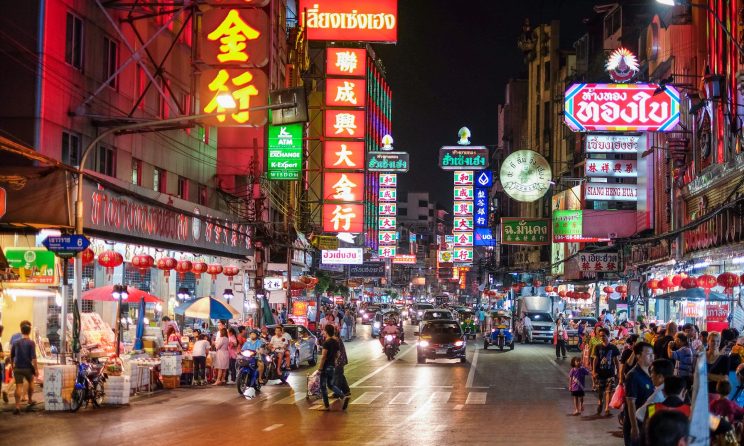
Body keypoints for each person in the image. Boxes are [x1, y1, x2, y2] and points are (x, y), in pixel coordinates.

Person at [623, 341, 655, 446]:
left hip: (648, 422)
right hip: (637, 422)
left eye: (652, 354)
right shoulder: (633, 375)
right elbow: (631, 402)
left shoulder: (651, 373)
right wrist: (634, 427)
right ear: (638, 356)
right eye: (648, 354)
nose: (652, 357)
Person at [317, 324, 347, 411]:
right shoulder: (335, 342)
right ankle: (343, 396)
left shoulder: (326, 342)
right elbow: (338, 354)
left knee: (323, 386)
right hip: (332, 366)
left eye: (323, 330)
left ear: (326, 331)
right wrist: (334, 361)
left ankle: (326, 406)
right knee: (330, 385)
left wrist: (320, 368)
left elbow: (323, 357)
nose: (323, 332)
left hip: (325, 367)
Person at [636, 359, 675, 425]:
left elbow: (650, 417)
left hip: (643, 424)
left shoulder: (658, 396)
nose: (650, 375)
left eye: (652, 372)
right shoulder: (671, 389)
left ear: (660, 376)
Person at [10, 322, 37, 415]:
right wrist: (36, 369)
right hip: (28, 368)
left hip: (18, 367)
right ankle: (29, 400)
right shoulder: (31, 343)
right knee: (31, 382)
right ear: (29, 332)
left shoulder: (16, 342)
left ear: (21, 331)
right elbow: (33, 357)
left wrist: (12, 365)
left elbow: (12, 355)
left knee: (18, 386)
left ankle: (17, 406)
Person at [593, 328, 621, 416]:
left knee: (609, 391)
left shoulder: (613, 347)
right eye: (600, 336)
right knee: (600, 391)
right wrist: (594, 371)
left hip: (610, 373)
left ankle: (607, 409)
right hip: (600, 373)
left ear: (608, 336)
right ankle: (600, 403)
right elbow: (596, 359)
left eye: (604, 336)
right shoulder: (597, 347)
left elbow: (616, 360)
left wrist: (619, 372)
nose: (602, 337)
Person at [334, 333, 351, 410]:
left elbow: (337, 352)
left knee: (337, 375)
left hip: (339, 361)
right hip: (341, 360)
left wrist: (335, 360)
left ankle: (338, 393)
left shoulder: (336, 340)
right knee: (340, 375)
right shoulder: (337, 339)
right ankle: (346, 391)